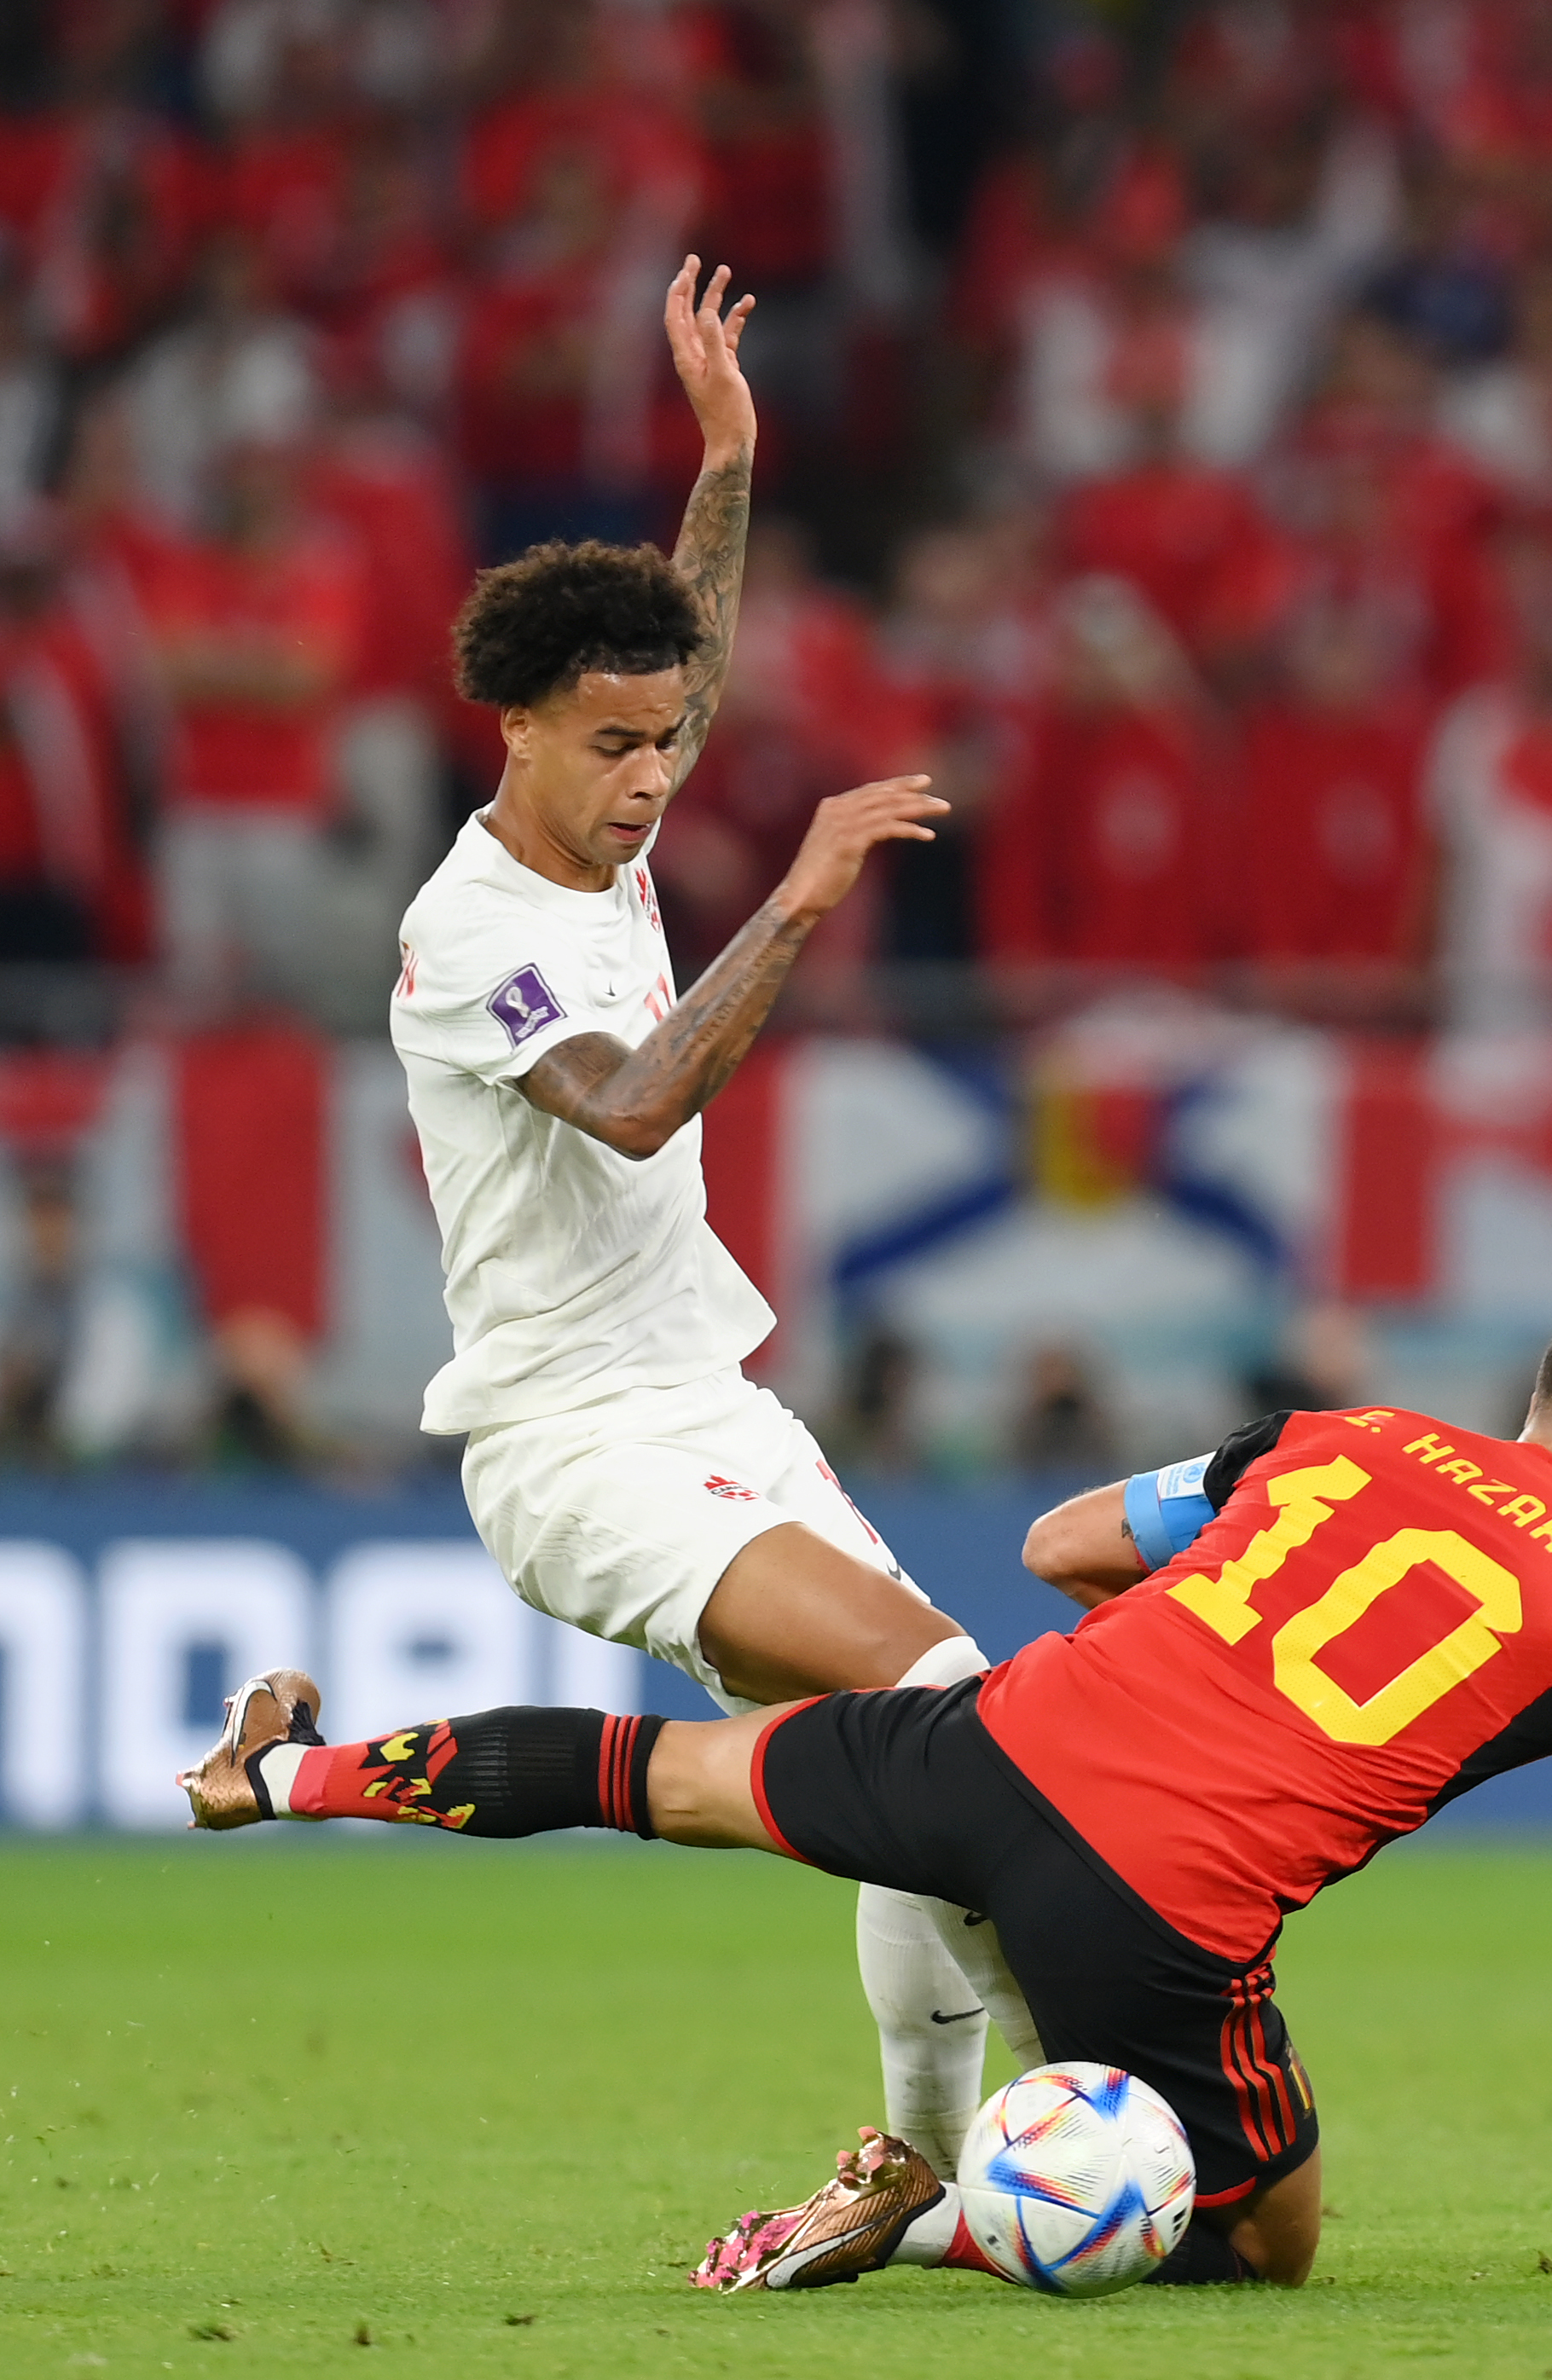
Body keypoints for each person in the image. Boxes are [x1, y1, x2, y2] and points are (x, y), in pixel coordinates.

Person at [179, 1300, 1552, 2295]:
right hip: (1162, 1905)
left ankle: (286, 1770)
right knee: (1271, 2240)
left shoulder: (1344, 1437)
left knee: (664, 1772)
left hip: (997, 1741)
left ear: (1532, 1403)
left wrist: (1197, 1636)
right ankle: (932, 2215)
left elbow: (1062, 1543)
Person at [383, 253, 1040, 2178]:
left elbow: (687, 651)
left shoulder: (609, 805)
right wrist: (807, 895)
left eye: (670, 740)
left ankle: (928, 2163)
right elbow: (635, 1101)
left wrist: (729, 458)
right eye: (615, 745)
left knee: (939, 1743)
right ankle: (1015, 2130)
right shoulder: (471, 934)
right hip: (573, 1443)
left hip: (709, 1404)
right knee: (940, 1702)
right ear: (514, 725)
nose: (654, 777)